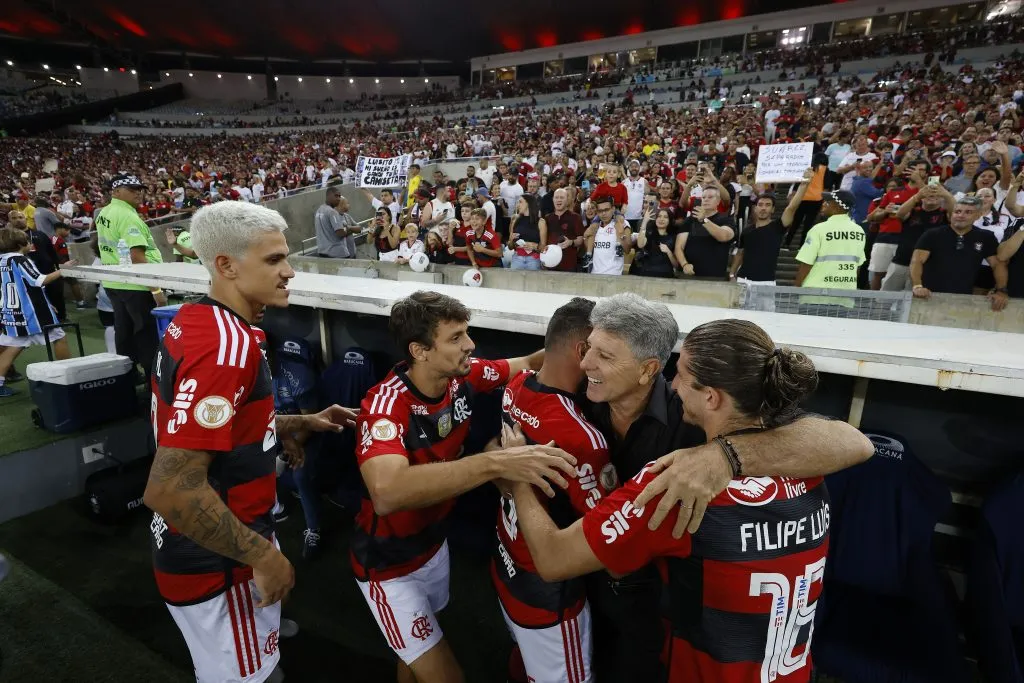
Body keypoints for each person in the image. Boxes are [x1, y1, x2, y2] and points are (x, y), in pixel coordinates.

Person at [509, 318, 831, 683]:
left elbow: (553, 558)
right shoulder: (811, 471)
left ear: (711, 397)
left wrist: (519, 471)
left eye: (680, 374)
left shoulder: (678, 486)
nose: (672, 385)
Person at [572, 293, 873, 682]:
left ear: (648, 369)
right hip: (594, 589)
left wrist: (726, 455)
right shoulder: (578, 400)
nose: (586, 363)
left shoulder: (695, 419)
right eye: (588, 348)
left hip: (662, 619)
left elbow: (854, 442)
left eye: (605, 355)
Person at [142, 201, 358, 683]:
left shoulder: (198, 321)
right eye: (274, 259)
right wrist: (263, 556)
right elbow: (171, 488)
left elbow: (219, 425)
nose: (289, 272)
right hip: (218, 560)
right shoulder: (226, 348)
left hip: (221, 538)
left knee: (256, 653)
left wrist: (302, 420)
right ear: (226, 265)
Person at [352, 291, 577, 683]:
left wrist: (584, 349)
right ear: (420, 351)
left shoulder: (464, 376)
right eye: (456, 337)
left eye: (466, 333)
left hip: (434, 546)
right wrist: (496, 463)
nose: (470, 344)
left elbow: (528, 362)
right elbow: (386, 492)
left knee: (414, 656)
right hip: (387, 566)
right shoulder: (386, 406)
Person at [491, 297, 611, 683]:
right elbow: (604, 534)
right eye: (603, 350)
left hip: (506, 561)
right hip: (549, 597)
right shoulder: (580, 437)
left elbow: (494, 453)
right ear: (582, 350)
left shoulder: (517, 384)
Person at [94, 173, 165, 380]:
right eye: (132, 189)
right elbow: (137, 257)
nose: (138, 193)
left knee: (123, 330)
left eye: (140, 189)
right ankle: (153, 380)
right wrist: (156, 290)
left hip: (114, 281)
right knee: (146, 334)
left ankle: (128, 375)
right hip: (136, 284)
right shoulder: (128, 216)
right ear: (116, 192)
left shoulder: (104, 212)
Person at [0, 227, 73, 397]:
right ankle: (69, 375)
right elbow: (38, 281)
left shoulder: (2, 260)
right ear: (20, 244)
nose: (31, 244)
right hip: (31, 311)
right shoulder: (19, 259)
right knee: (59, 337)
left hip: (11, 311)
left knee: (13, 346)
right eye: (28, 241)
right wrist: (63, 270)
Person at [910, 196, 1009, 311]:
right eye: (957, 211)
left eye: (968, 212)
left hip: (963, 299)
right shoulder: (932, 234)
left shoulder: (986, 237)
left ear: (978, 216)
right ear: (951, 214)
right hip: (928, 296)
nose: (961, 215)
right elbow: (916, 261)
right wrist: (917, 286)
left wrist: (1001, 290)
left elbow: (997, 264)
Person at [794, 190, 866, 302]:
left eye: (827, 202)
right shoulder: (859, 231)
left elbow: (806, 264)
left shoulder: (819, 229)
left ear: (836, 206)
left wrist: (796, 290)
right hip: (845, 296)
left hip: (815, 295)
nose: (823, 204)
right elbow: (858, 266)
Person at [882, 183, 954, 291]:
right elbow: (899, 214)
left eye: (936, 194)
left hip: (925, 267)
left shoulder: (945, 215)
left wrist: (947, 195)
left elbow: (955, 212)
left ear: (942, 198)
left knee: (913, 299)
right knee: (886, 297)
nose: (932, 196)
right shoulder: (913, 211)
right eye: (928, 194)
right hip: (901, 261)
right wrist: (917, 196)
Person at [675, 185, 735, 279]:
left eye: (710, 197)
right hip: (688, 275)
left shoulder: (726, 219)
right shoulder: (690, 220)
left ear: (718, 201)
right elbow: (679, 247)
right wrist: (684, 264)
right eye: (703, 197)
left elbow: (724, 237)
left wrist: (704, 220)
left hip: (714, 277)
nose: (706, 199)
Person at [314, 188, 358, 259]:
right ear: (328, 196)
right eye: (336, 196)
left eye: (339, 196)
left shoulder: (319, 210)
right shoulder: (332, 212)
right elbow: (340, 233)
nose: (338, 199)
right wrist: (350, 229)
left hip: (322, 253)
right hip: (337, 253)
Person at [508, 194, 547, 271]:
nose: (518, 205)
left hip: (534, 259)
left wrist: (535, 246)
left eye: (520, 202)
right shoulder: (515, 221)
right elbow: (510, 247)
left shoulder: (541, 222)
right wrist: (511, 240)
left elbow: (543, 247)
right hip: (517, 258)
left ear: (528, 203)